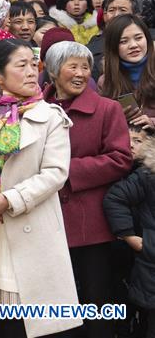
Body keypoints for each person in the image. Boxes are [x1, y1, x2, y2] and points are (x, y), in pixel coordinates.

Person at [0, 39, 81, 337]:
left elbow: (55, 173)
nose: (32, 72)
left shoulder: (51, 117)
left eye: (33, 64)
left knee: (30, 322)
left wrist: (9, 199)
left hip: (32, 231)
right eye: (21, 65)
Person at [41, 41, 133, 338]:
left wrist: (64, 171)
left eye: (85, 67)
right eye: (73, 67)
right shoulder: (36, 111)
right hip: (46, 220)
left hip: (92, 223)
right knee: (54, 302)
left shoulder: (107, 109)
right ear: (53, 72)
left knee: (97, 298)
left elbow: (121, 158)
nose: (81, 73)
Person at [103, 125, 155, 337]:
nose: (131, 145)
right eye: (128, 140)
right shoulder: (142, 175)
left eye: (138, 141)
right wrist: (130, 236)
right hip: (138, 255)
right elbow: (115, 198)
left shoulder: (147, 171)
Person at [100, 14, 155, 126]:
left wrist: (153, 123)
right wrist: (117, 118)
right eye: (123, 41)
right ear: (113, 47)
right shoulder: (105, 81)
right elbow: (102, 123)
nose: (133, 45)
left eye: (138, 38)